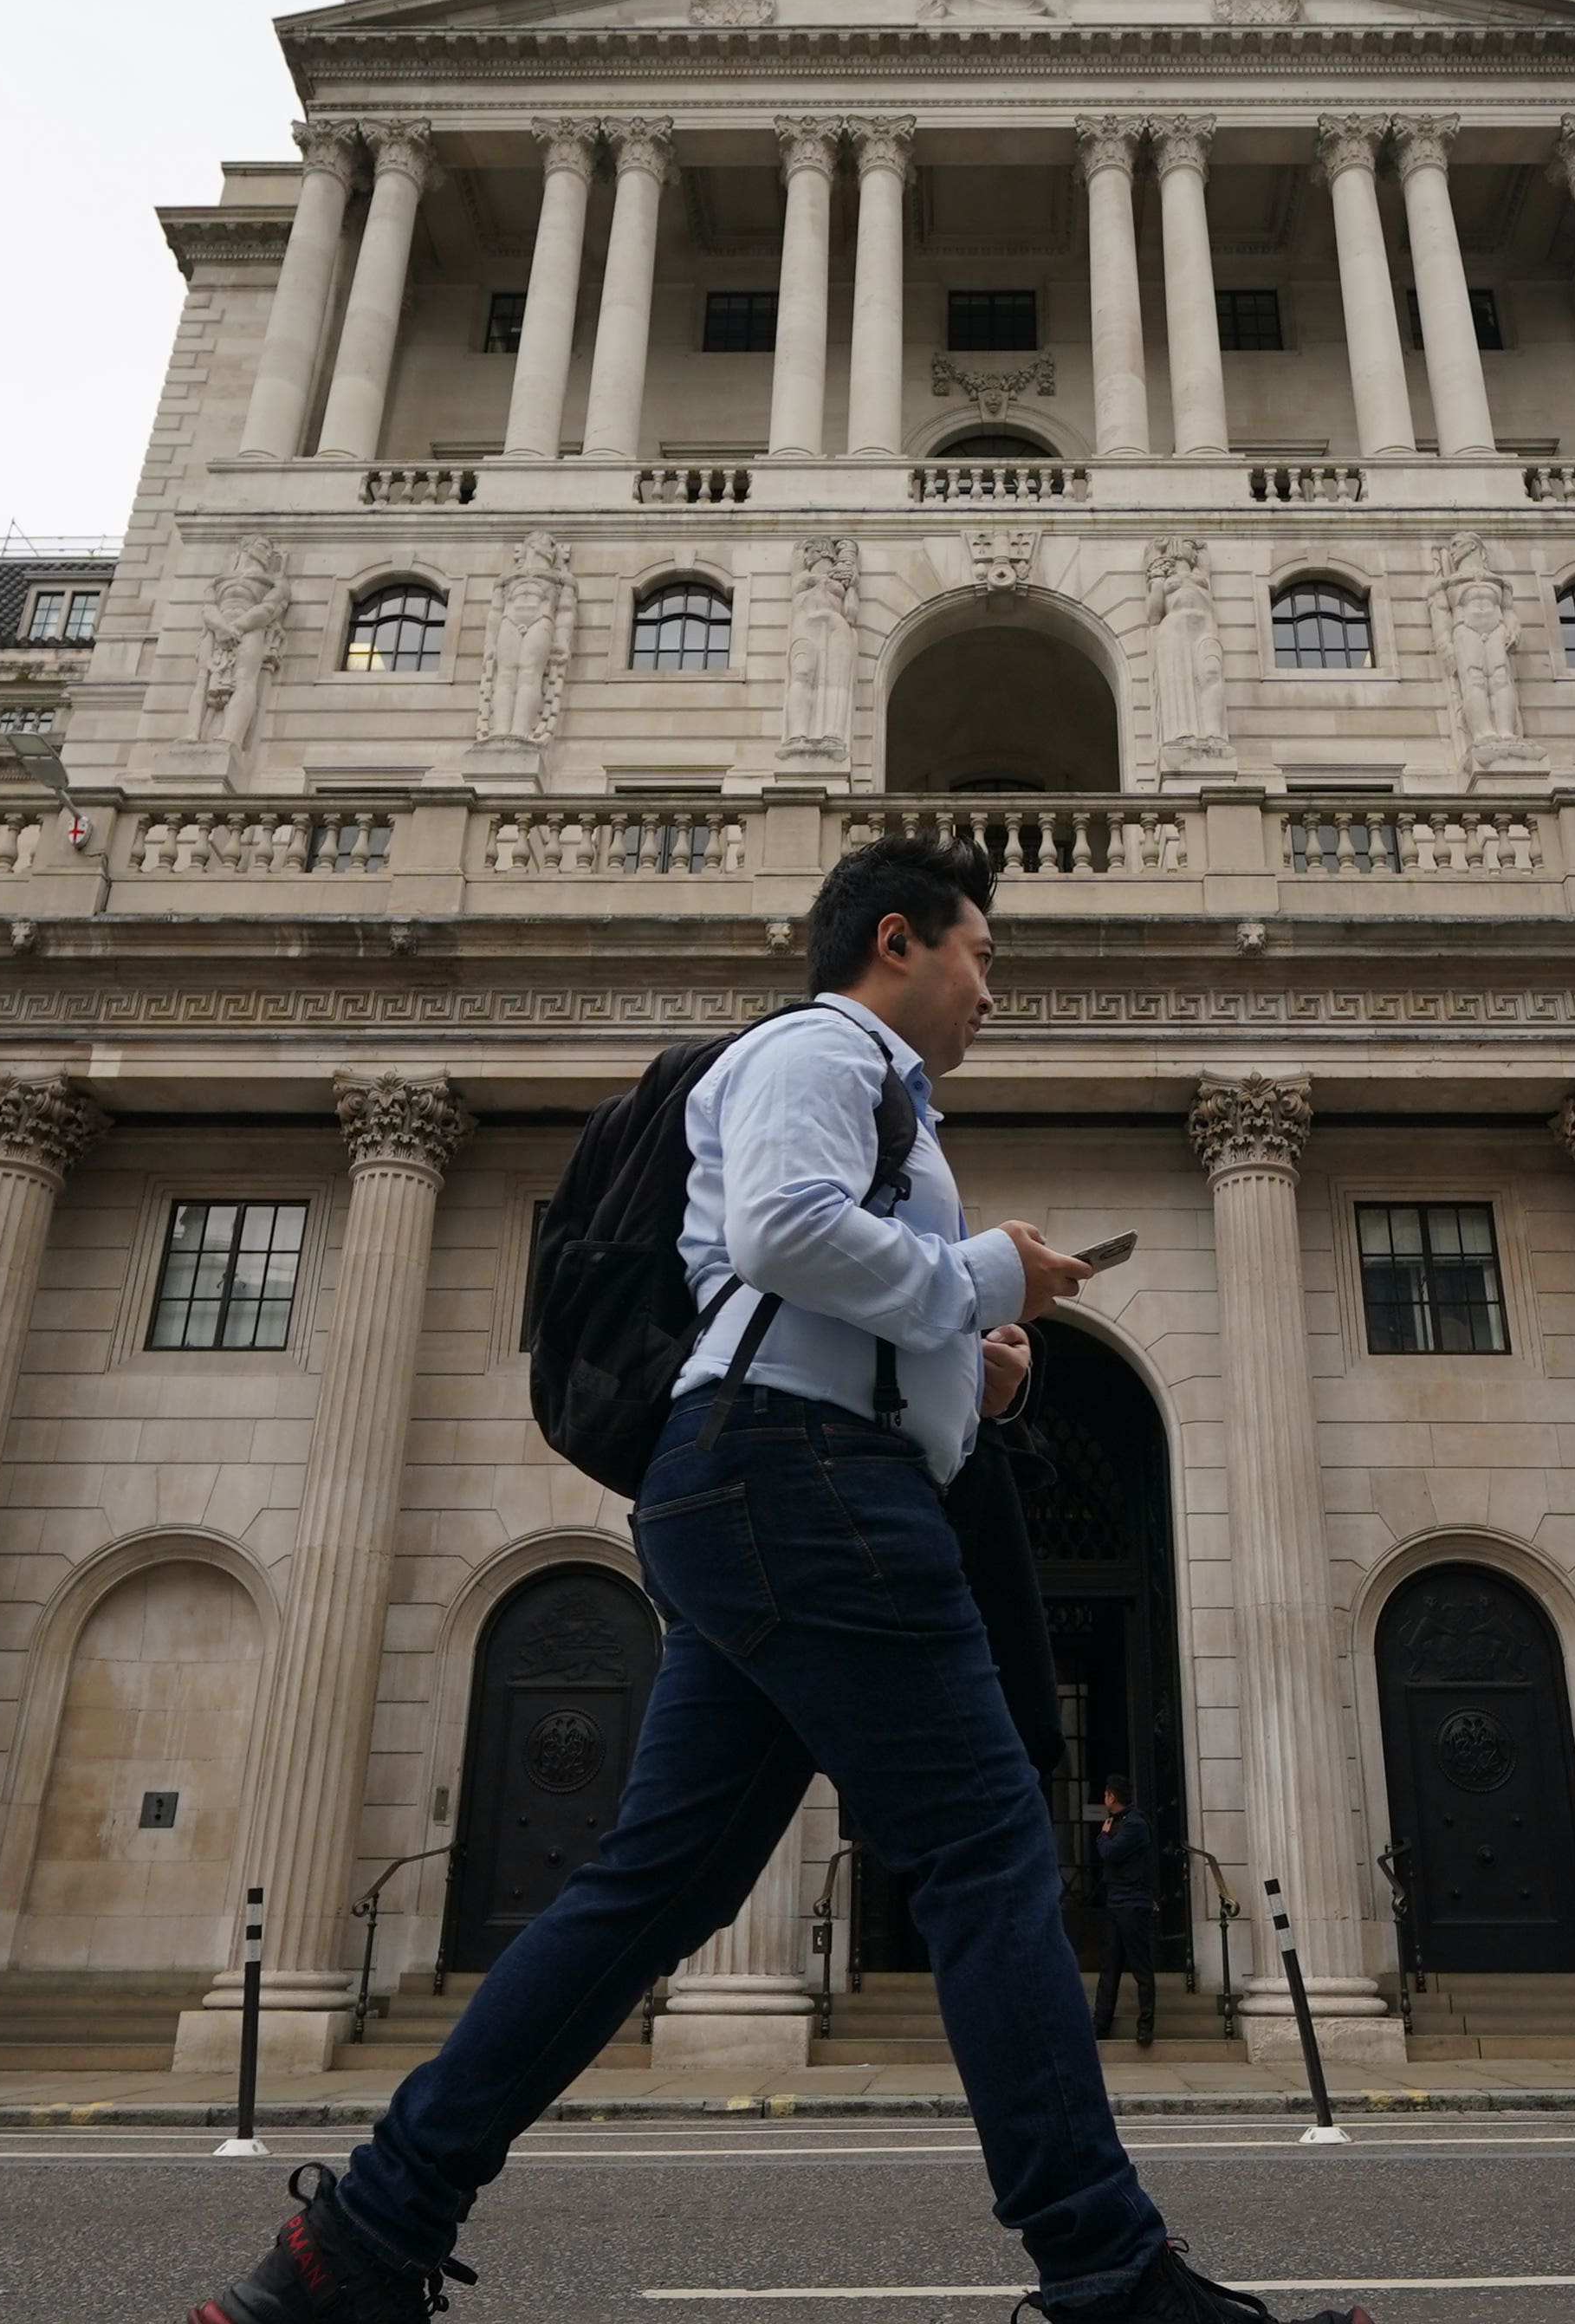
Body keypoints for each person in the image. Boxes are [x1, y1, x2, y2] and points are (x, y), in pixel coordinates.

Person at [178, 837, 1360, 2324]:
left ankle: (353, 2244)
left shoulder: (880, 1097)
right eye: (980, 952)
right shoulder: (819, 1046)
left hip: (768, 1481)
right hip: (798, 1484)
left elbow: (821, 1294)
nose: (993, 984)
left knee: (647, 1889)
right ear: (895, 940)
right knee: (991, 1855)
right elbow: (784, 1235)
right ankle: (1106, 2272)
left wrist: (973, 1378)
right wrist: (988, 1274)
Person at [1090, 1782, 1159, 2052]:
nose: (1103, 1798)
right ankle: (1100, 2023)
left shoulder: (1135, 1825)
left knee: (1141, 1967)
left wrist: (1103, 1837)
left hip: (1133, 1903)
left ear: (1113, 1796)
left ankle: (1145, 2026)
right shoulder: (1119, 1821)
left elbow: (1110, 1852)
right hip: (1116, 1901)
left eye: (1106, 1794)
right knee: (1110, 1967)